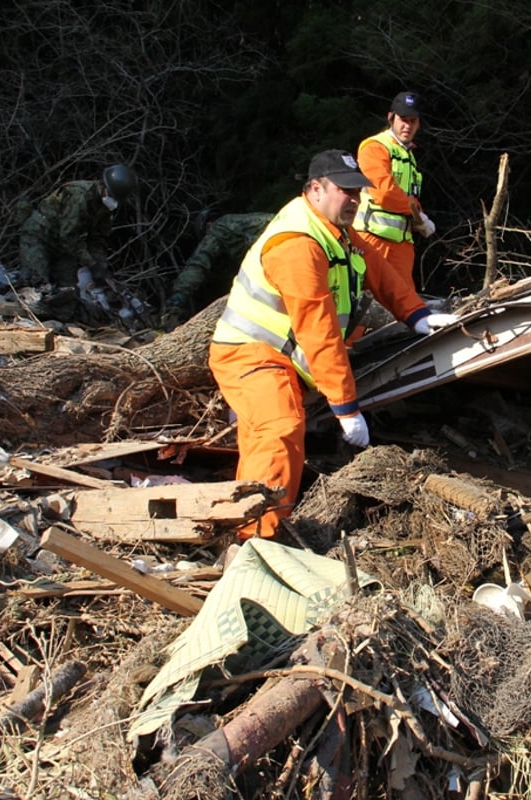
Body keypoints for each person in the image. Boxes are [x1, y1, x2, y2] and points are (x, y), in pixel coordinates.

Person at [208, 150, 458, 540]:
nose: (355, 200)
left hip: (283, 356)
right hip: (250, 354)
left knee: (273, 434)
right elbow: (318, 332)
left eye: (358, 192)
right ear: (315, 189)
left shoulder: (335, 229)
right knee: (278, 430)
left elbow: (377, 267)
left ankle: (253, 521)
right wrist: (346, 408)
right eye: (346, 191)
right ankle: (255, 539)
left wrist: (416, 313)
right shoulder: (298, 245)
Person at [18, 164, 138, 305]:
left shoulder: (104, 208)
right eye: (112, 196)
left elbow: (97, 239)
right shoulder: (79, 195)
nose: (113, 201)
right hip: (39, 236)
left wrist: (100, 267)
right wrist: (91, 263)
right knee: (36, 286)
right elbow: (68, 235)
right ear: (103, 187)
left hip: (62, 246)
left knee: (68, 292)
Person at [353, 90, 433, 288]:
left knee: (404, 302)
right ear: (391, 118)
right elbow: (384, 192)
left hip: (401, 243)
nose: (407, 125)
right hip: (372, 238)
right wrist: (418, 214)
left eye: (412, 120)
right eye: (403, 119)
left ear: (418, 123)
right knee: (369, 299)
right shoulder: (375, 147)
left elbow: (405, 195)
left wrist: (418, 219)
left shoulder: (408, 154)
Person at [161, 210, 274, 330]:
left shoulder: (218, 228)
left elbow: (199, 263)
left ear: (207, 225)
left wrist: (179, 296)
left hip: (274, 253)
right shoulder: (244, 220)